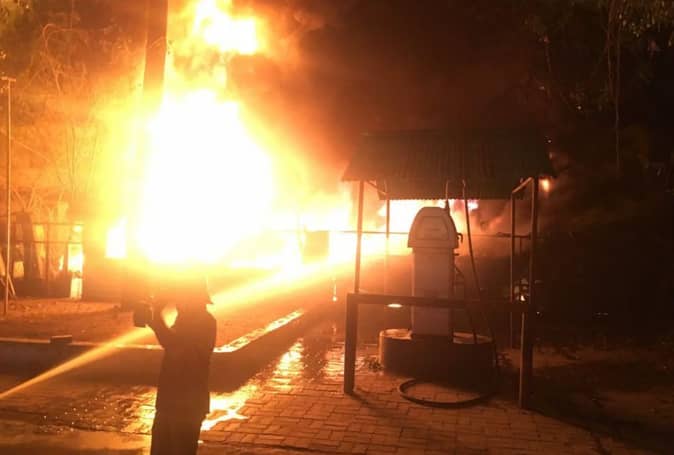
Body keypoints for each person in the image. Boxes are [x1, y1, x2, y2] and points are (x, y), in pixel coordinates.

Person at [148, 274, 217, 455]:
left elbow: (176, 347)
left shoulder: (205, 322)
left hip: (187, 403)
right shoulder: (185, 319)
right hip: (171, 400)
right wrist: (155, 320)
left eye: (181, 295)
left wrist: (157, 318)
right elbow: (171, 342)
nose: (178, 302)